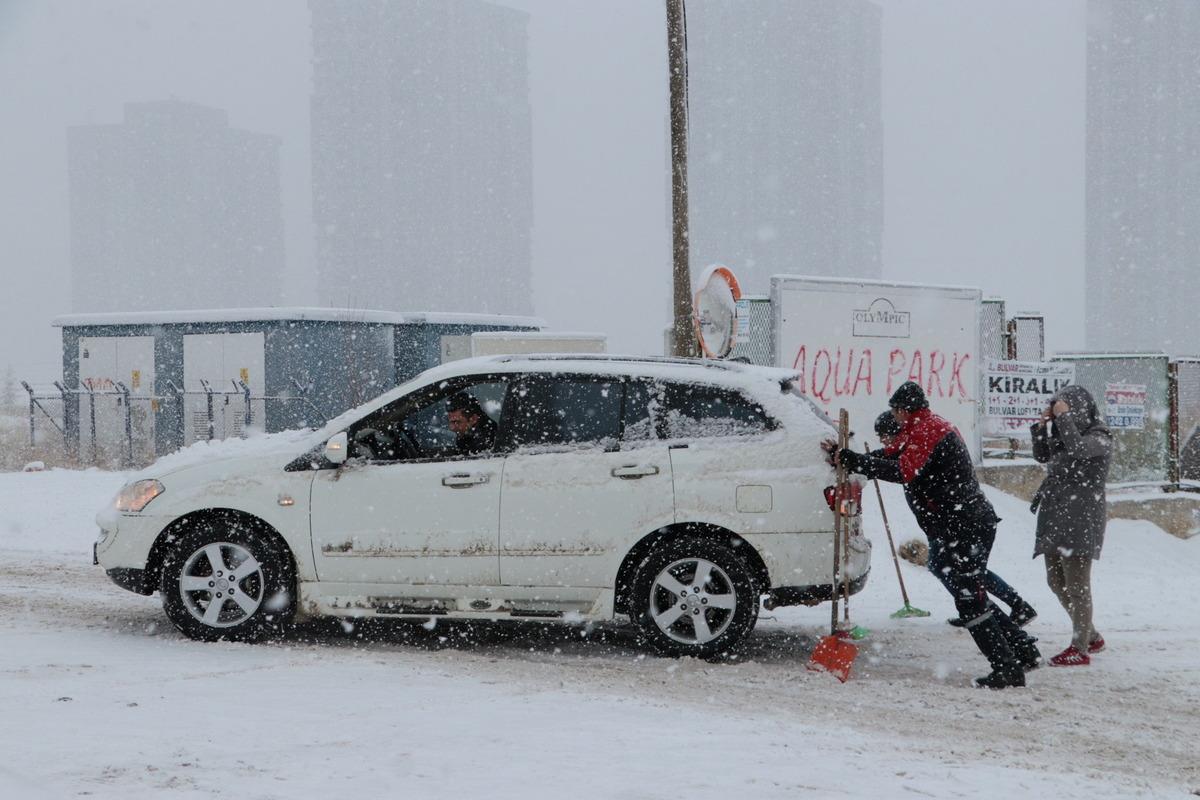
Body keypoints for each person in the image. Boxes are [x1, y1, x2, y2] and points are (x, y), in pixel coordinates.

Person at [823, 382, 1040, 689]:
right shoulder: (922, 428)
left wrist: (855, 461)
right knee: (955, 579)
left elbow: (903, 471)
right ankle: (1023, 649)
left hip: (965, 525)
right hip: (956, 525)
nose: (894, 419)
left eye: (895, 413)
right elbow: (893, 454)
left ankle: (1007, 667)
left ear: (902, 410)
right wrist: (851, 458)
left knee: (969, 599)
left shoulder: (927, 431)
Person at [871, 412, 1038, 630]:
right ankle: (987, 607)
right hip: (941, 520)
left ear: (897, 433)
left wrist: (866, 463)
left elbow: (899, 470)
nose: (883, 441)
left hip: (950, 519)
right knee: (962, 569)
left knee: (955, 568)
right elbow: (886, 459)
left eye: (885, 435)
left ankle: (981, 609)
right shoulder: (907, 448)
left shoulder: (918, 448)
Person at [1031, 385, 1112, 667]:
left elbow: (1079, 450)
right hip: (1056, 516)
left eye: (1065, 407)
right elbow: (1041, 456)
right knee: (1055, 581)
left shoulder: (1099, 438)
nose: (1060, 411)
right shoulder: (1064, 438)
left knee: (1078, 586)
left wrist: (1064, 417)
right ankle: (1091, 635)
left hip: (1081, 518)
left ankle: (1080, 648)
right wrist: (1042, 426)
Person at [447, 392, 497, 456]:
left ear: (473, 419)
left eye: (457, 422)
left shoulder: (487, 441)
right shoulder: (468, 434)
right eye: (450, 422)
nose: (452, 428)